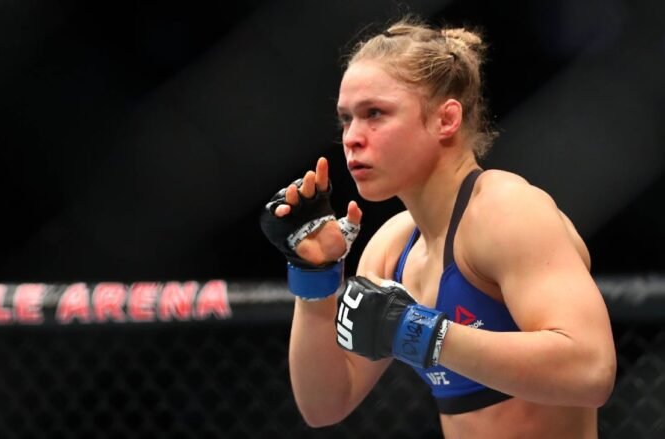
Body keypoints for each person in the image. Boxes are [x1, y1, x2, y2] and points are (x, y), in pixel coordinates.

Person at [260, 15, 616, 438]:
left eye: (375, 113)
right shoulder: (392, 247)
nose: (352, 137)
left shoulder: (504, 210)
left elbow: (591, 371)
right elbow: (325, 405)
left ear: (445, 120)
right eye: (346, 119)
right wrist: (315, 279)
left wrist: (421, 333)